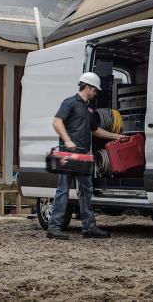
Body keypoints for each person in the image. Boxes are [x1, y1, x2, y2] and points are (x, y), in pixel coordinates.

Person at [47, 72, 129, 240]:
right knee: (63, 190)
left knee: (86, 191)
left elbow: (95, 130)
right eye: (95, 90)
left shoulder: (89, 108)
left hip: (83, 157)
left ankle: (89, 227)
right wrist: (67, 140)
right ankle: (54, 228)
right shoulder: (69, 102)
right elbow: (56, 121)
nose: (96, 93)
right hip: (68, 155)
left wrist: (117, 137)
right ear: (88, 87)